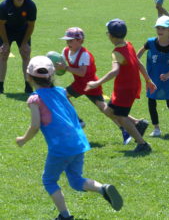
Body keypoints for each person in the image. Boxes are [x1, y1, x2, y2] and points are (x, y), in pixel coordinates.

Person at [16, 56, 123, 220]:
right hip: (78, 142)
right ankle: (103, 188)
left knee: (49, 180)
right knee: (75, 180)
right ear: (52, 75)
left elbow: (35, 125)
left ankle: (64, 216)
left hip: (61, 147)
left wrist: (23, 139)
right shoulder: (61, 92)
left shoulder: (35, 99)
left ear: (28, 76)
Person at [56, 27, 149, 145]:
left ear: (80, 41)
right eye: (67, 41)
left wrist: (65, 68)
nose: (68, 43)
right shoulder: (65, 51)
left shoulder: (84, 54)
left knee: (105, 109)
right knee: (105, 108)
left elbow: (82, 72)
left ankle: (78, 121)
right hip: (83, 84)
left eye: (71, 40)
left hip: (89, 83)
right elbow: (61, 63)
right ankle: (135, 124)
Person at [85, 19, 156, 153]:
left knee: (121, 117)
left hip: (126, 89)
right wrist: (148, 79)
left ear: (111, 36)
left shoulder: (117, 52)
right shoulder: (129, 44)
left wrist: (97, 83)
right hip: (128, 86)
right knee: (109, 111)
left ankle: (142, 144)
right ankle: (138, 124)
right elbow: (138, 63)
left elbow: (114, 71)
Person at [137, 16, 169, 136]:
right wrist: (135, 63)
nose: (160, 31)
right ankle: (156, 129)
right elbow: (138, 54)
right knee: (151, 101)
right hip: (152, 77)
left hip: (167, 80)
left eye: (163, 28)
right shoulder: (150, 43)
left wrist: (168, 75)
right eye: (158, 28)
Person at [0, 0, 37, 94]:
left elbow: (31, 25)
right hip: (6, 31)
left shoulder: (30, 6)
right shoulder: (4, 6)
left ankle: (28, 86)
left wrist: (25, 43)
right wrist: (5, 43)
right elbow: (0, 25)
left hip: (23, 31)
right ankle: (0, 86)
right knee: (3, 54)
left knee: (26, 54)